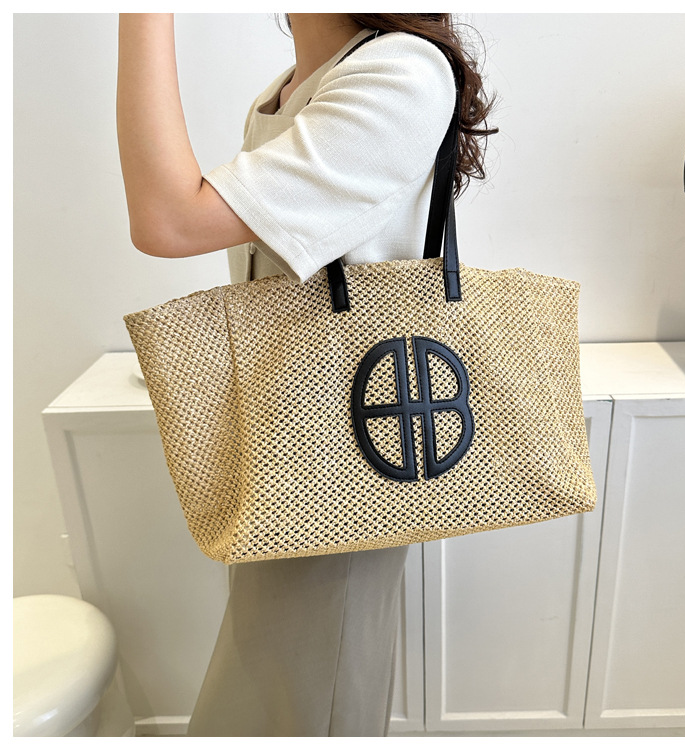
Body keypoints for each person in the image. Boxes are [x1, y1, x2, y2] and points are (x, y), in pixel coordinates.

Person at [117, 12, 497, 737]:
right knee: (279, 697)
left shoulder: (402, 72)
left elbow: (167, 219)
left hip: (343, 463)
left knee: (301, 707)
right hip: (288, 445)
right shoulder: (289, 89)